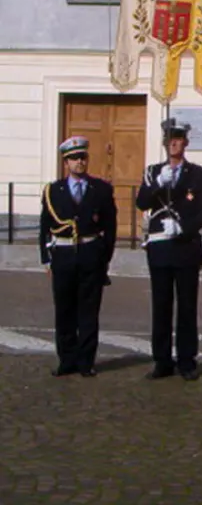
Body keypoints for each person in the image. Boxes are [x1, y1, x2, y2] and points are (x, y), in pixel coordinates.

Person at [136, 118, 202, 381]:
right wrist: (159, 182)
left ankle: (187, 361)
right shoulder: (152, 172)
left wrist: (183, 228)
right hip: (159, 249)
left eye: (178, 139)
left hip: (185, 248)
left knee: (187, 307)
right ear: (164, 143)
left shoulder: (198, 174)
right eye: (169, 140)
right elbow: (141, 202)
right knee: (161, 306)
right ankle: (161, 360)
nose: (173, 144)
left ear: (185, 143)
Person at [39, 136, 117, 378]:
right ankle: (67, 360)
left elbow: (110, 228)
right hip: (62, 255)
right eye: (74, 158)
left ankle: (86, 362)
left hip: (90, 253)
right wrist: (46, 259)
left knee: (88, 311)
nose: (79, 162)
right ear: (66, 162)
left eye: (83, 157)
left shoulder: (101, 189)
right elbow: (44, 227)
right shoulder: (53, 190)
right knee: (64, 310)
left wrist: (104, 258)